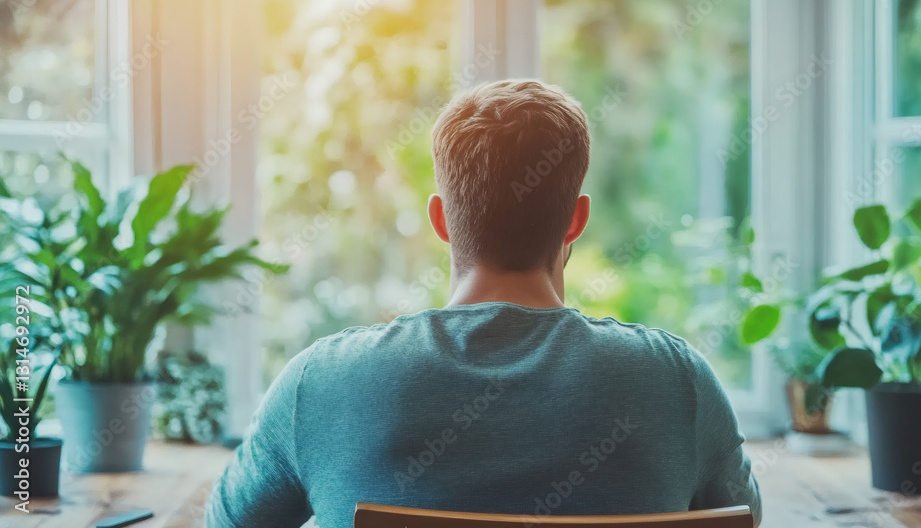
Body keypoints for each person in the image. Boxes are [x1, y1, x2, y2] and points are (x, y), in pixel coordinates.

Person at [206, 79, 762, 528]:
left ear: (441, 220)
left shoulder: (320, 384)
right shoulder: (676, 383)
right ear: (576, 219)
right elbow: (746, 518)